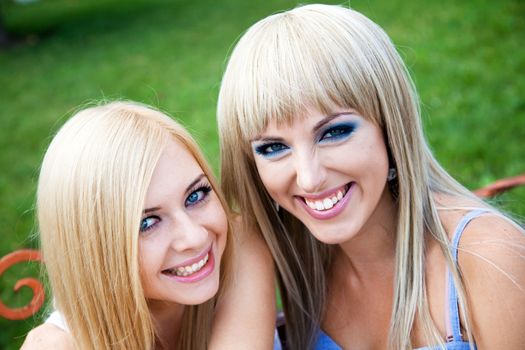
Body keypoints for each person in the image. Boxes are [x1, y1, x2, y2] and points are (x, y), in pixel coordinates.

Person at [217, 4, 525, 349]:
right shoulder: (293, 264)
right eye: (273, 148)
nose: (308, 178)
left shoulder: (488, 256)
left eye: (334, 132)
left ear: (390, 127)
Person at [21, 101, 276, 349]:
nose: (195, 237)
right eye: (147, 223)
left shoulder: (240, 248)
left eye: (195, 195)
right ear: (94, 248)